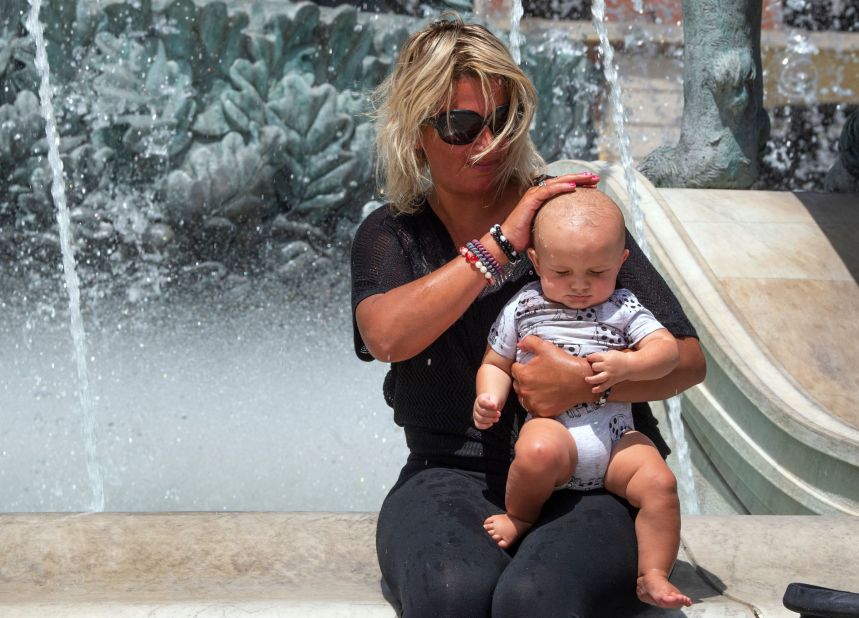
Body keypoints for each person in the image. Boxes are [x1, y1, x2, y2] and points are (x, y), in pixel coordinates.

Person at [351, 13, 706, 617]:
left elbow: (689, 359)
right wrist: (502, 246)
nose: (487, 143)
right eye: (462, 126)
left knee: (536, 599)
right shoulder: (392, 234)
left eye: (503, 121)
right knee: (450, 594)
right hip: (447, 474)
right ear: (417, 131)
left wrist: (595, 377)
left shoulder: (573, 221)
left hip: (597, 474)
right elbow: (386, 336)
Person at [474, 190, 692, 609]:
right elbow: (496, 362)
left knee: (660, 483)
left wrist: (628, 367)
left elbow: (667, 352)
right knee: (535, 450)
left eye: (597, 271)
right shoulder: (524, 306)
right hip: (555, 431)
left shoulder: (622, 306)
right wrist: (488, 396)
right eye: (562, 271)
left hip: (615, 441)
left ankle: (653, 573)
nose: (579, 284)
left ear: (621, 263)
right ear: (535, 262)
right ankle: (521, 516)